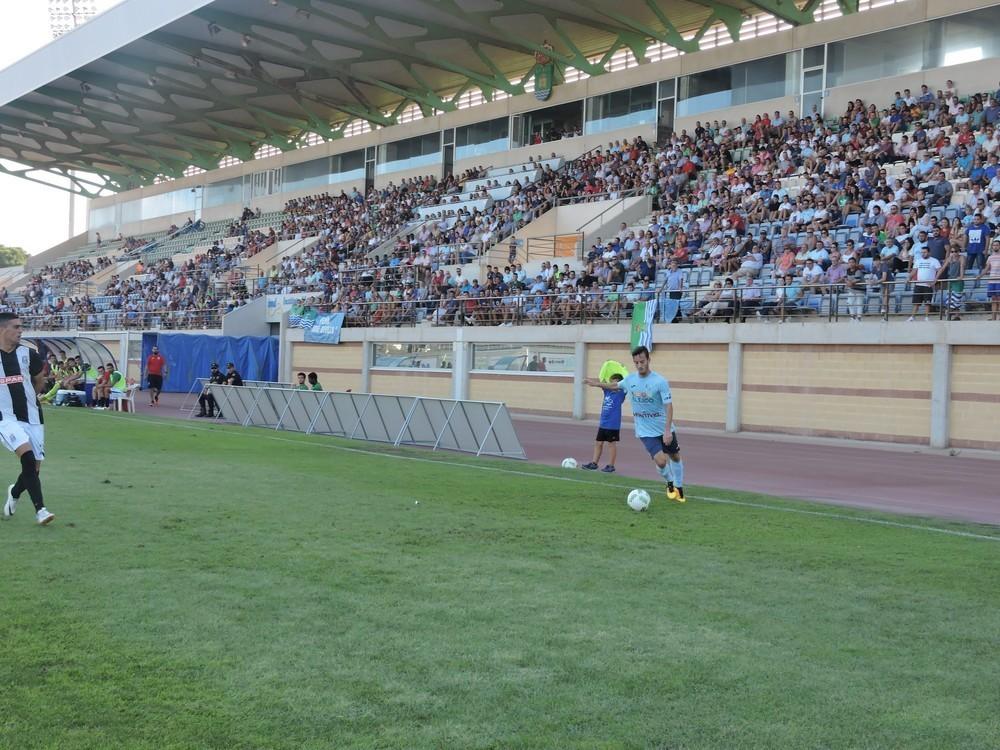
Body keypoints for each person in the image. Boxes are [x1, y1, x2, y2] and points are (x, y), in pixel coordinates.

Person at [584, 345, 686, 503]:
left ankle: (679, 486)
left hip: (663, 427)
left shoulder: (660, 381)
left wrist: (667, 430)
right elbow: (614, 385)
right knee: (661, 461)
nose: (639, 365)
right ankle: (670, 482)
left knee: (675, 457)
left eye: (642, 362)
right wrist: (596, 384)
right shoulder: (630, 380)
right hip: (645, 431)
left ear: (648, 360)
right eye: (636, 362)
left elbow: (669, 406)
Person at [0, 313, 55, 525]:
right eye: (16, 327)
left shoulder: (29, 354)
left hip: (33, 416)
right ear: (3, 329)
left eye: (21, 326)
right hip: (6, 419)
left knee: (33, 469)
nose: (21, 330)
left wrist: (30, 398)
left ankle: (14, 492)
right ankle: (41, 510)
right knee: (28, 459)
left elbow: (39, 381)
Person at [581, 373, 625, 473]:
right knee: (598, 443)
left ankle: (611, 465)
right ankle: (594, 463)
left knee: (611, 444)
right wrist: (589, 381)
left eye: (614, 381)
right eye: (611, 381)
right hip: (603, 422)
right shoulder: (607, 391)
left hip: (613, 424)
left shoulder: (621, 393)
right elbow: (600, 384)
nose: (611, 383)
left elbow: (623, 386)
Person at [909, 246, 941, 321]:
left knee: (927, 302)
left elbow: (939, 270)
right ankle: (912, 317)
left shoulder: (934, 261)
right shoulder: (918, 261)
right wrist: (909, 277)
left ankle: (926, 317)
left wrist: (935, 280)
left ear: (929, 252)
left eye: (925, 252)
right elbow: (914, 271)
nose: (923, 254)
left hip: (928, 285)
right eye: (922, 252)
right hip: (918, 284)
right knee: (916, 302)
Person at [979, 240, 1000, 320]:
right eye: (994, 245)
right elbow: (987, 268)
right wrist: (980, 276)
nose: (995, 247)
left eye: (997, 245)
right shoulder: (990, 257)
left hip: (999, 281)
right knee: (993, 300)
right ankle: (993, 318)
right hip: (992, 281)